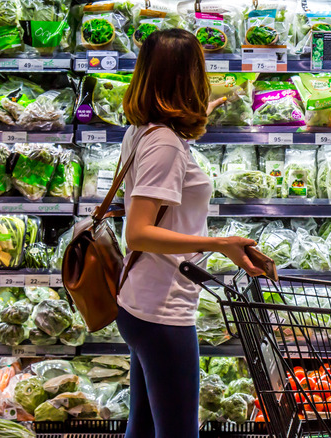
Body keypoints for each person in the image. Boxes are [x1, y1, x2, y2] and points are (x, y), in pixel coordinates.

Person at [116, 28, 265, 437]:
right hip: (161, 311)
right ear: (189, 78)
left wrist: (209, 109)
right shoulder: (164, 144)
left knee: (144, 429)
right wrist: (219, 244)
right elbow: (139, 232)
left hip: (141, 302)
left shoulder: (145, 130)